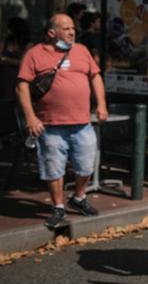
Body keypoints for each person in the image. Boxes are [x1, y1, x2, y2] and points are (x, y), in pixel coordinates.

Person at [16, 13, 107, 228]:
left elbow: (95, 76)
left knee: (86, 165)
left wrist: (101, 104)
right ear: (51, 32)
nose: (72, 32)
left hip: (82, 123)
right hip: (50, 125)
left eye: (73, 28)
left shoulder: (81, 50)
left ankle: (79, 197)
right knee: (53, 168)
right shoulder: (34, 54)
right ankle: (58, 207)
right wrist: (30, 117)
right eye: (66, 29)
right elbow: (21, 86)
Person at [1, 16, 30, 102]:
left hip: (17, 76)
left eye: (9, 28)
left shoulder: (28, 45)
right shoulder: (5, 42)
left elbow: (23, 63)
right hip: (3, 76)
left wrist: (5, 59)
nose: (7, 31)